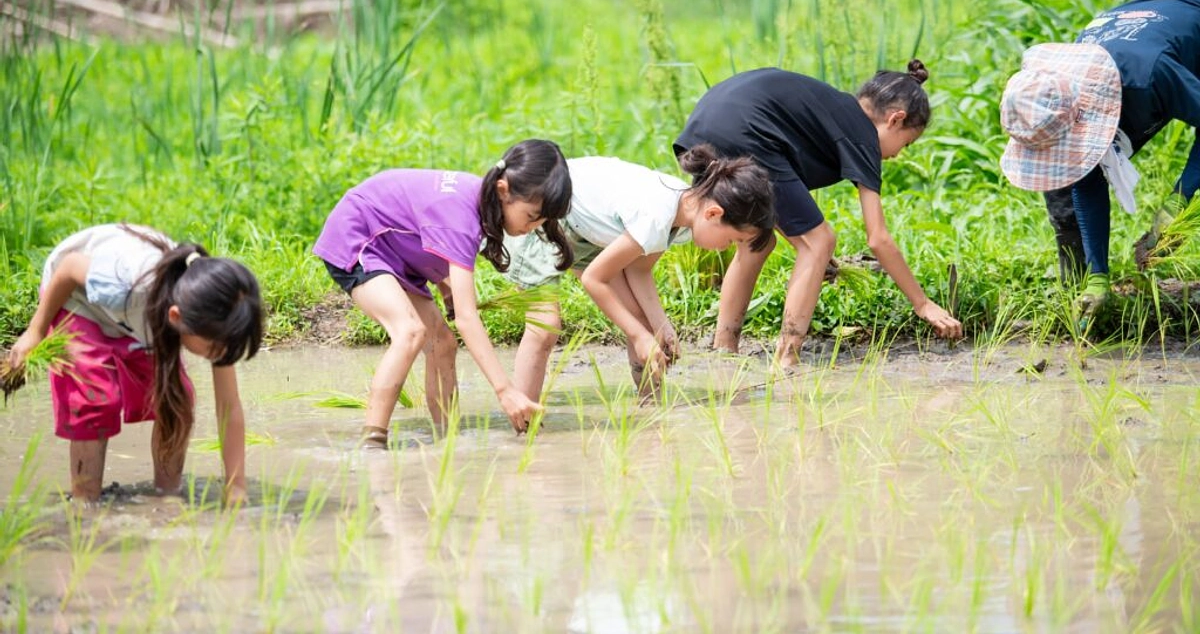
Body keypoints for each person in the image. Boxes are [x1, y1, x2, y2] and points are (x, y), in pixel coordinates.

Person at [672, 61, 963, 367]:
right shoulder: (862, 133)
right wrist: (923, 303)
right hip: (748, 129)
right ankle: (787, 360)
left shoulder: (833, 110)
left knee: (757, 237)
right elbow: (878, 239)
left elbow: (785, 208)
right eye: (907, 142)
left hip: (708, 122)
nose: (898, 154)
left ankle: (724, 351)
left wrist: (807, 249)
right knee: (820, 241)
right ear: (895, 119)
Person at [313, 139, 572, 447]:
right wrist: (506, 391)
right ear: (504, 190)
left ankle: (446, 439)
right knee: (409, 331)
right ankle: (373, 443)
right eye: (532, 216)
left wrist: (445, 288)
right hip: (358, 238)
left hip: (395, 254)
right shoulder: (462, 218)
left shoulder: (479, 199)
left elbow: (418, 225)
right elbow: (466, 318)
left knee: (442, 343)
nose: (534, 227)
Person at [6, 224, 264, 506]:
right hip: (77, 299)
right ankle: (85, 503)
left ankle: (167, 496)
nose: (220, 355)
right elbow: (68, 268)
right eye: (216, 349)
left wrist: (236, 488)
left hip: (136, 314)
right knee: (95, 399)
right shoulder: (126, 285)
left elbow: (229, 407)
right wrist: (35, 331)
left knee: (178, 400)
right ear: (178, 319)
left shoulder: (214, 313)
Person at [501, 146, 775, 401]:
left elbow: (638, 268)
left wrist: (659, 325)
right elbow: (594, 279)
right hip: (542, 214)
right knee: (545, 326)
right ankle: (524, 421)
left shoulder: (684, 213)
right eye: (733, 239)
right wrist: (638, 336)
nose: (727, 247)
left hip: (587, 233)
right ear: (714, 214)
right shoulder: (657, 216)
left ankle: (651, 408)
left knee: (642, 322)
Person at [1000, 0, 1200, 318]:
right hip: (1142, 28)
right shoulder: (1060, 87)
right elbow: (1085, 176)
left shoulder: (1147, 76)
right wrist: (1098, 276)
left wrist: (1178, 203)